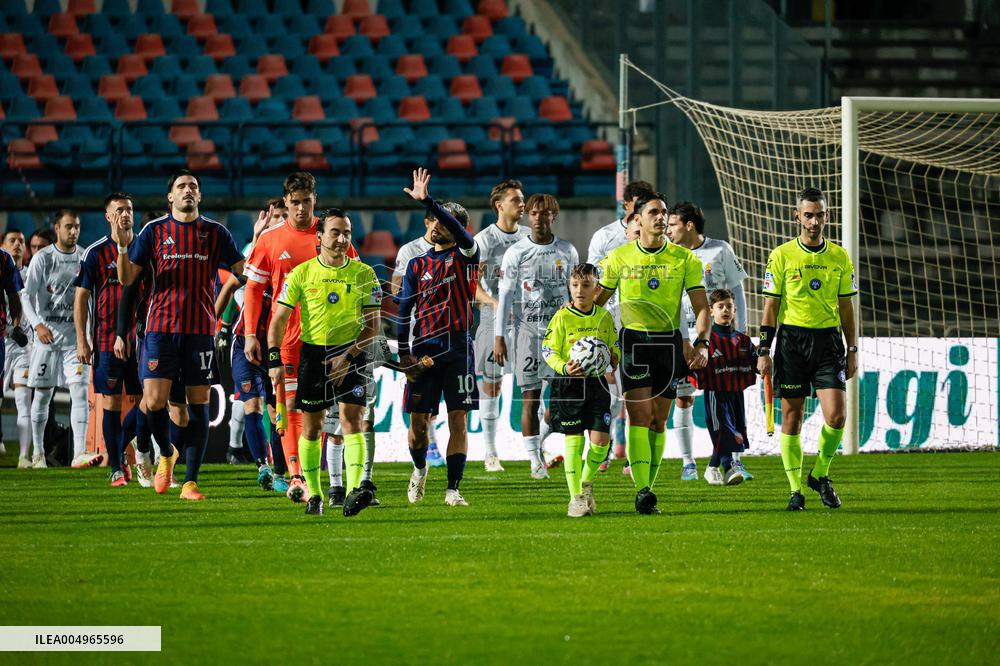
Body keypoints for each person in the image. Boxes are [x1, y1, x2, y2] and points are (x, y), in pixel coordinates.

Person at [115, 170, 245, 500]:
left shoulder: (216, 233)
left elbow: (243, 272)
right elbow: (128, 277)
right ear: (170, 196)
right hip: (160, 329)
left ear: (199, 197)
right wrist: (121, 246)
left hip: (200, 331)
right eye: (182, 186)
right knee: (155, 401)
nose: (188, 190)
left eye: (194, 187)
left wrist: (255, 243)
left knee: (197, 405)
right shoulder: (154, 231)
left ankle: (190, 481)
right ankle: (166, 453)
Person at [243, 172, 359, 503]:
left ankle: (323, 477)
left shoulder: (331, 235)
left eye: (307, 201)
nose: (301, 209)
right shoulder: (269, 240)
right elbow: (253, 289)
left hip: (328, 338)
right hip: (287, 339)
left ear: (314, 201)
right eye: (294, 202)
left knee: (322, 412)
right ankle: (297, 476)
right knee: (288, 407)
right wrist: (252, 333)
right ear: (286, 202)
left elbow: (356, 279)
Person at [595, 192, 710, 514]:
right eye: (654, 212)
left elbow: (702, 308)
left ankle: (649, 484)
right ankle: (643, 491)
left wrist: (701, 343)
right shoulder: (619, 258)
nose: (661, 218)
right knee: (640, 417)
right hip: (634, 342)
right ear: (638, 220)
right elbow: (598, 304)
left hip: (670, 343)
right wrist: (590, 337)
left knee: (660, 422)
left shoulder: (685, 259)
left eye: (664, 213)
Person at [267, 209, 381, 517]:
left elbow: (373, 326)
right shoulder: (301, 273)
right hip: (314, 355)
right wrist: (274, 357)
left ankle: (356, 490)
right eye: (335, 232)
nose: (342, 239)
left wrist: (349, 355)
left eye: (346, 232)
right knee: (313, 428)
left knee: (352, 421)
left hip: (352, 353)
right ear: (320, 237)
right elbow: (277, 319)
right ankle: (315, 494)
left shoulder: (365, 274)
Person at [757, 187, 858, 511]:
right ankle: (795, 490)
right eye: (808, 215)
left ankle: (821, 474)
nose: (814, 221)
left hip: (828, 343)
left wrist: (852, 347)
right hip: (792, 343)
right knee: (792, 418)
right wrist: (763, 349)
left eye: (820, 215)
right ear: (797, 216)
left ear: (827, 216)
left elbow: (846, 307)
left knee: (837, 416)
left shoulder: (840, 256)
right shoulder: (782, 255)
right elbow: (770, 307)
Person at [396, 168, 480, 507]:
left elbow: (460, 232)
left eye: (441, 221)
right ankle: (419, 470)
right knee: (417, 427)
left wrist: (429, 199)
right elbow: (403, 311)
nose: (434, 225)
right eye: (430, 220)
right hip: (425, 348)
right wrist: (404, 355)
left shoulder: (467, 255)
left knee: (459, 419)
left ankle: (453, 489)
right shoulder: (416, 265)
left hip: (459, 348)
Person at [665, 200, 752, 481]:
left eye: (672, 225)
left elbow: (737, 291)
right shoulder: (669, 255)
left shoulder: (720, 250)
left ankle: (734, 462)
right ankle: (688, 463)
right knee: (684, 400)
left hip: (718, 339)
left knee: (728, 398)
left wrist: (743, 332)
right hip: (685, 339)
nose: (668, 230)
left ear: (689, 226)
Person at [494, 193, 578, 479]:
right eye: (534, 213)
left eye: (545, 214)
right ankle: (534, 461)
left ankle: (540, 444)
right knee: (529, 398)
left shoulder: (567, 250)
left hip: (560, 336)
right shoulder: (516, 252)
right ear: (528, 216)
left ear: (554, 216)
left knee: (557, 404)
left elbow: (574, 294)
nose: (539, 219)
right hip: (527, 335)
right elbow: (504, 295)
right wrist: (499, 336)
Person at [74, 193, 147, 486]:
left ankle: (116, 452)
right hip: (106, 339)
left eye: (129, 209)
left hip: (142, 337)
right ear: (108, 217)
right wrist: (82, 339)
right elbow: (81, 298)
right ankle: (117, 467)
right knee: (111, 402)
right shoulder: (95, 253)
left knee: (147, 403)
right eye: (118, 210)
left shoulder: (145, 247)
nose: (125, 215)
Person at [215, 201, 286, 492]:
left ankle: (283, 471)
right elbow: (233, 283)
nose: (280, 220)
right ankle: (263, 466)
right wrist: (219, 326)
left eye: (284, 216)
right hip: (246, 341)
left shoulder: (292, 259)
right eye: (276, 216)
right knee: (252, 405)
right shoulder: (254, 251)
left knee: (276, 411)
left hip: (280, 344)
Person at [542, 263, 619, 517]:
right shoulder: (562, 317)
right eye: (575, 285)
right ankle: (575, 498)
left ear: (596, 289)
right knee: (573, 441)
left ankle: (585, 483)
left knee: (600, 443)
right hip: (570, 385)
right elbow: (548, 350)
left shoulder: (604, 317)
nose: (579, 290)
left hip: (597, 384)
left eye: (586, 285)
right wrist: (564, 367)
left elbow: (613, 344)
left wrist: (614, 356)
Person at [21, 210, 96, 468]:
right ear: (56, 228)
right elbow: (26, 296)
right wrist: (38, 325)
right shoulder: (43, 258)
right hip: (47, 339)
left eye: (76, 227)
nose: (73, 232)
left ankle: (79, 453)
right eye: (68, 227)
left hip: (74, 341)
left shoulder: (86, 257)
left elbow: (90, 302)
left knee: (79, 392)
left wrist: (88, 337)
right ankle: (38, 453)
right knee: (42, 395)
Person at [588, 181, 655, 470]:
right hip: (610, 321)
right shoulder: (605, 237)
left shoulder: (655, 240)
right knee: (611, 391)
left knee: (635, 394)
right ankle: (604, 449)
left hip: (641, 325)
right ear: (627, 205)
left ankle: (629, 453)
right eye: (637, 201)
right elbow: (591, 276)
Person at [473, 179, 528, 471]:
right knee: (491, 385)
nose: (522, 205)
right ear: (499, 205)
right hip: (493, 321)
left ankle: (537, 450)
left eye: (522, 200)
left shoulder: (530, 237)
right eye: (516, 200)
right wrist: (494, 304)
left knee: (532, 386)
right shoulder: (483, 241)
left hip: (528, 322)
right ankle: (491, 452)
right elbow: (471, 284)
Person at [390, 209, 448, 470]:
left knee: (440, 397)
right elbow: (395, 289)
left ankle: (432, 441)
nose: (440, 225)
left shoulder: (455, 251)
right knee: (420, 396)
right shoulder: (410, 251)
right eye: (436, 219)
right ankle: (430, 444)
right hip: (418, 332)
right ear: (427, 222)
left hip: (447, 334)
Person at [691, 289, 756, 486]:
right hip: (715, 393)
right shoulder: (705, 341)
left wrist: (763, 362)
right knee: (725, 431)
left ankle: (712, 467)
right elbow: (693, 364)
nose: (725, 310)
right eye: (720, 307)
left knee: (735, 431)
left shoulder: (742, 340)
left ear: (735, 310)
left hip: (736, 394)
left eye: (729, 306)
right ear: (711, 311)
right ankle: (729, 468)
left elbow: (755, 362)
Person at [3, 230, 33, 467]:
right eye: (12, 241)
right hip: (3, 342)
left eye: (21, 241)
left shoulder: (32, 273)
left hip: (23, 346)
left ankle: (24, 455)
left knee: (24, 399)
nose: (17, 245)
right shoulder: (5, 266)